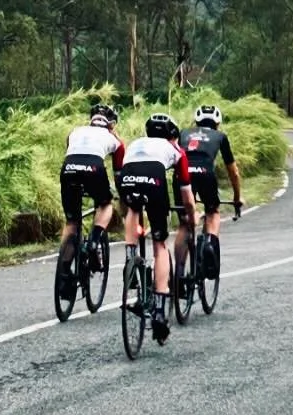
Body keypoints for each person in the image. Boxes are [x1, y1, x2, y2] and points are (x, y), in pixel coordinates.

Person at [117, 112, 195, 344]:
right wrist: (190, 216)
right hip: (155, 178)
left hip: (128, 176)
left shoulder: (135, 143)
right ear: (173, 136)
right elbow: (187, 196)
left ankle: (131, 259)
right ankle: (160, 310)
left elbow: (123, 195)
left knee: (132, 210)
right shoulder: (176, 151)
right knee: (160, 246)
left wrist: (129, 209)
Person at [57, 102, 124, 299]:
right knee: (105, 204)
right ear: (111, 124)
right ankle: (94, 242)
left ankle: (64, 273)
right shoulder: (114, 139)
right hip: (95, 168)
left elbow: (74, 154)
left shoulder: (74, 132)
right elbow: (119, 173)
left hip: (68, 170)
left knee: (72, 221)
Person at [176, 104, 242, 286]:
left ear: (196, 121)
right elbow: (233, 173)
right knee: (212, 212)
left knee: (184, 222)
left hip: (182, 175)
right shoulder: (220, 136)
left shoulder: (183, 133)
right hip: (205, 173)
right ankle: (210, 244)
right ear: (217, 123)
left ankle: (179, 275)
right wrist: (237, 198)